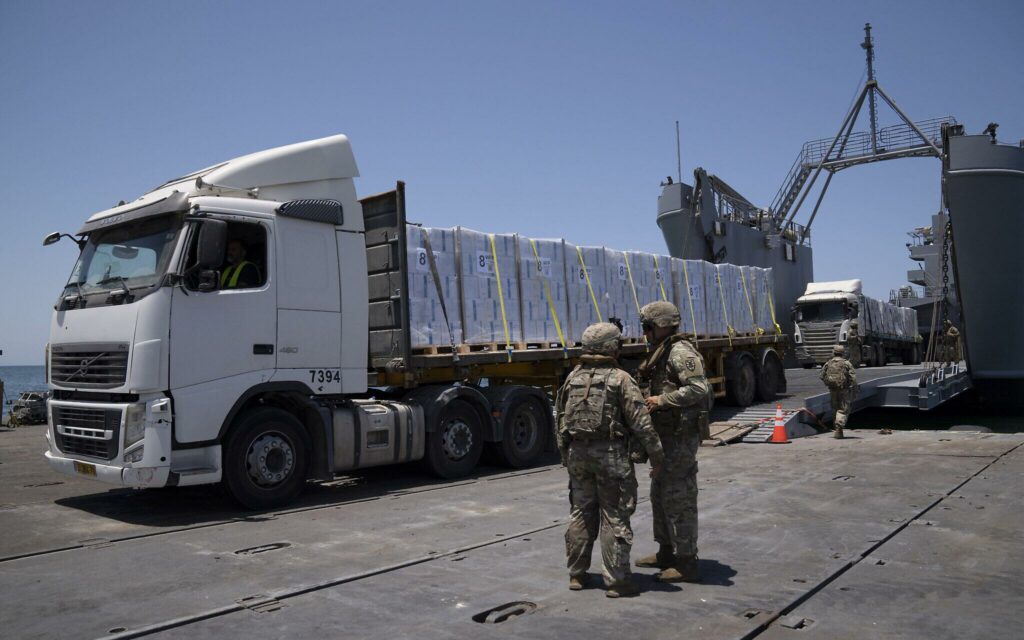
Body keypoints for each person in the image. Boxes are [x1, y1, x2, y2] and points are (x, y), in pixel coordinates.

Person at [556, 322, 665, 598]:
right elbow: (641, 423)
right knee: (614, 515)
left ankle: (577, 574)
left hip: (577, 456)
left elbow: (560, 419)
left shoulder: (573, 377)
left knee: (580, 512)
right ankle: (616, 581)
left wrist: (565, 455)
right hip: (611, 457)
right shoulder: (620, 378)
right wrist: (657, 456)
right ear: (612, 347)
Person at [633, 301, 712, 583]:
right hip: (666, 436)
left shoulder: (680, 352)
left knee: (679, 498)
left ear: (661, 325)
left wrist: (662, 399)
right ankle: (666, 551)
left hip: (680, 436)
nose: (645, 332)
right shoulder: (661, 350)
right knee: (660, 494)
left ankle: (686, 560)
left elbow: (698, 388)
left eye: (648, 327)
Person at [820, 345, 857, 438]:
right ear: (843, 353)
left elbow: (821, 375)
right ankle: (839, 427)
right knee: (843, 409)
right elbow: (853, 377)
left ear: (834, 352)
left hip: (832, 389)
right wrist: (855, 388)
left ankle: (837, 429)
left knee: (835, 408)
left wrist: (828, 383)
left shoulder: (828, 363)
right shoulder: (846, 363)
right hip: (843, 389)